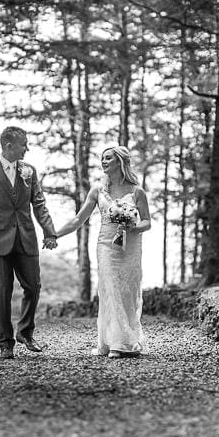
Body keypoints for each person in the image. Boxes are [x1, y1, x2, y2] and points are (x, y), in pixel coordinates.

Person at [54, 145, 151, 358]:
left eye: (108, 158)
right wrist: (54, 234)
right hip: (107, 247)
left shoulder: (137, 191)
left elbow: (147, 222)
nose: (104, 162)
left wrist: (133, 226)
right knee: (110, 290)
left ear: (120, 162)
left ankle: (127, 340)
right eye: (102, 159)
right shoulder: (97, 191)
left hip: (130, 248)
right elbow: (78, 220)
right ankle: (114, 343)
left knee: (128, 292)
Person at [0, 126, 58, 359]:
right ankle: (5, 343)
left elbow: (39, 204)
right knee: (2, 291)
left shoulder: (30, 171)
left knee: (33, 286)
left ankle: (25, 332)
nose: (27, 148)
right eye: (24, 144)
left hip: (26, 238)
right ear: (9, 145)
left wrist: (49, 233)